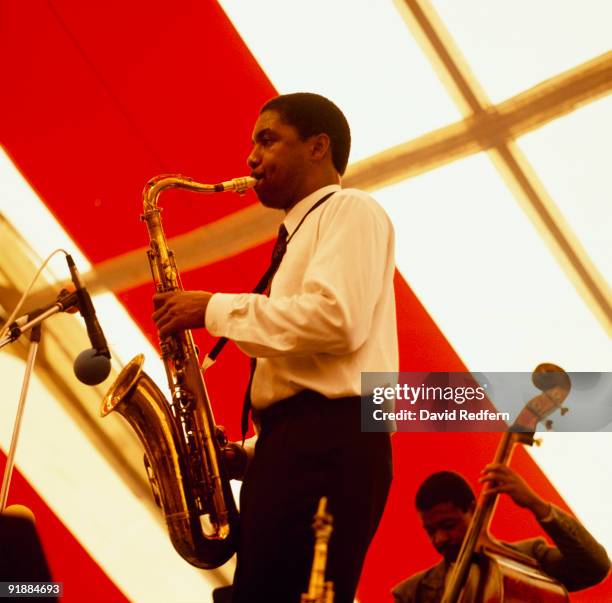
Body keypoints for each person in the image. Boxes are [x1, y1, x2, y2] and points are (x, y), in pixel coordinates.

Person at [152, 93, 398, 603]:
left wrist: (212, 308)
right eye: (252, 144)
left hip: (328, 447)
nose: (250, 158)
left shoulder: (350, 208)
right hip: (302, 446)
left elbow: (337, 320)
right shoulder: (301, 233)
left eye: (267, 139)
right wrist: (249, 455)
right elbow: (316, 377)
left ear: (318, 147)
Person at [392, 467, 610, 603]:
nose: (439, 539)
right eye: (430, 531)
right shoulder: (411, 594)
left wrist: (536, 504)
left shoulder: (529, 564)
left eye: (448, 525)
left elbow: (595, 567)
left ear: (473, 510)